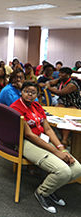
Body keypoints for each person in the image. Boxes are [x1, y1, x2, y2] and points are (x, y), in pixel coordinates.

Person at [10, 82, 81, 214]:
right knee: (63, 172)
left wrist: (61, 149)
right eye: (27, 91)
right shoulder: (16, 107)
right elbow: (29, 135)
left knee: (77, 169)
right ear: (21, 92)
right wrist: (55, 151)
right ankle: (42, 192)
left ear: (37, 95)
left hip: (42, 138)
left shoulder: (37, 105)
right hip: (25, 141)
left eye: (33, 92)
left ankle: (51, 189)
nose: (30, 94)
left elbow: (47, 129)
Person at [46, 67, 81, 147]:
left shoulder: (72, 84)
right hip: (63, 103)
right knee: (56, 116)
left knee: (66, 117)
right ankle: (63, 138)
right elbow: (50, 82)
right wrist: (48, 84)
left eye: (62, 73)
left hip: (74, 105)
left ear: (68, 75)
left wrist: (49, 87)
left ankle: (64, 140)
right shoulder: (60, 80)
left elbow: (60, 93)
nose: (59, 75)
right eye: (60, 73)